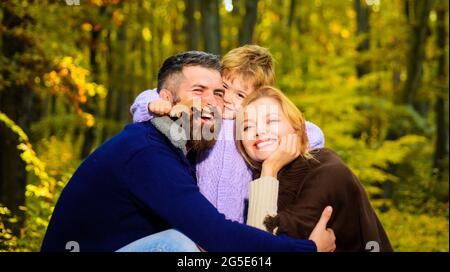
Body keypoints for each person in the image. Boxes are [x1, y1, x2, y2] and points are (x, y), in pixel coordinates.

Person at [41, 51, 336, 252]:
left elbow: (292, 122)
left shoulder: (182, 151)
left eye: (218, 93)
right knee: (179, 245)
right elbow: (216, 233)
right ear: (166, 100)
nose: (212, 102)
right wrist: (309, 249)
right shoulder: (146, 152)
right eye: (198, 90)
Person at [130, 45, 325, 223]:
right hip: (197, 216)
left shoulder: (251, 125)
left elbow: (312, 132)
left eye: (240, 95)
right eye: (224, 89)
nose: (229, 99)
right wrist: (153, 105)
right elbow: (150, 96)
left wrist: (290, 141)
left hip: (238, 220)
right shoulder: (208, 116)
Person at [236, 86, 393, 252]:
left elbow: (261, 248)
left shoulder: (328, 171)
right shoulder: (252, 180)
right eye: (247, 127)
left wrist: (269, 169)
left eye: (272, 121)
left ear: (296, 127)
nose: (259, 131)